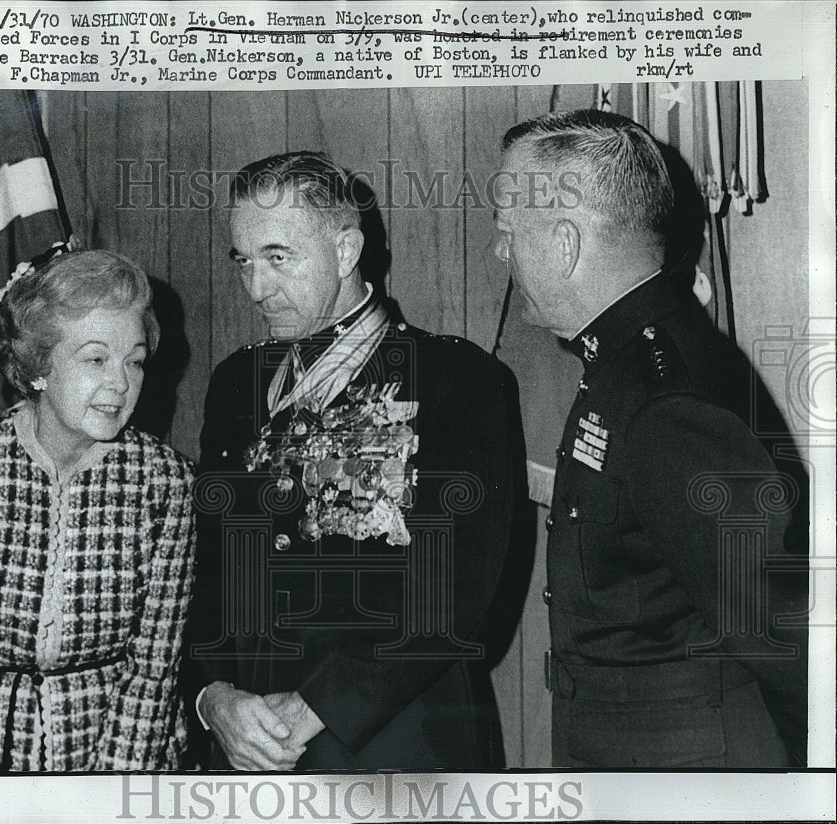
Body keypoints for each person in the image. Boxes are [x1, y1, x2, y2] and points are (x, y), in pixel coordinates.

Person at [185, 151, 524, 770]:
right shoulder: (237, 383)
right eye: (244, 262)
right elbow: (205, 564)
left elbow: (455, 588)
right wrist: (213, 696)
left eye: (278, 259)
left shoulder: (457, 380)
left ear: (345, 251)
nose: (256, 289)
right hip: (249, 747)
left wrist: (319, 705)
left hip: (395, 747)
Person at [492, 109, 808, 767]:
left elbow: (785, 637)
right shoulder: (629, 361)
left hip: (684, 765)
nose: (501, 253)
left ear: (566, 244)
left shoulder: (668, 403)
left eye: (507, 233)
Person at [0, 250, 195, 771]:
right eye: (94, 358)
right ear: (39, 366)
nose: (121, 383)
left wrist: (103, 798)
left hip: (123, 751)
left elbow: (155, 666)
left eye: (133, 359)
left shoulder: (165, 482)